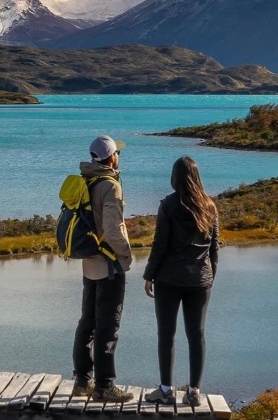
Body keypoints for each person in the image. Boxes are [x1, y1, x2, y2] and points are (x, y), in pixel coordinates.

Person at [143, 156, 219, 407]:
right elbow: (214, 248)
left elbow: (160, 244)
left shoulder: (168, 205)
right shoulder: (209, 206)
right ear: (197, 177)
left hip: (168, 279)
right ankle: (194, 391)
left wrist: (149, 275)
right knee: (196, 335)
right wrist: (210, 276)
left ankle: (165, 390)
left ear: (175, 178)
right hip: (200, 280)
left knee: (167, 334)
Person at [72, 135, 135, 403]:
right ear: (111, 157)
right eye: (117, 153)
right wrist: (126, 256)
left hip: (89, 262)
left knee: (87, 321)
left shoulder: (87, 180)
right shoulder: (110, 185)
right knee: (108, 326)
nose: (119, 156)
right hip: (109, 263)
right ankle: (105, 386)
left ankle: (82, 381)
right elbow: (113, 228)